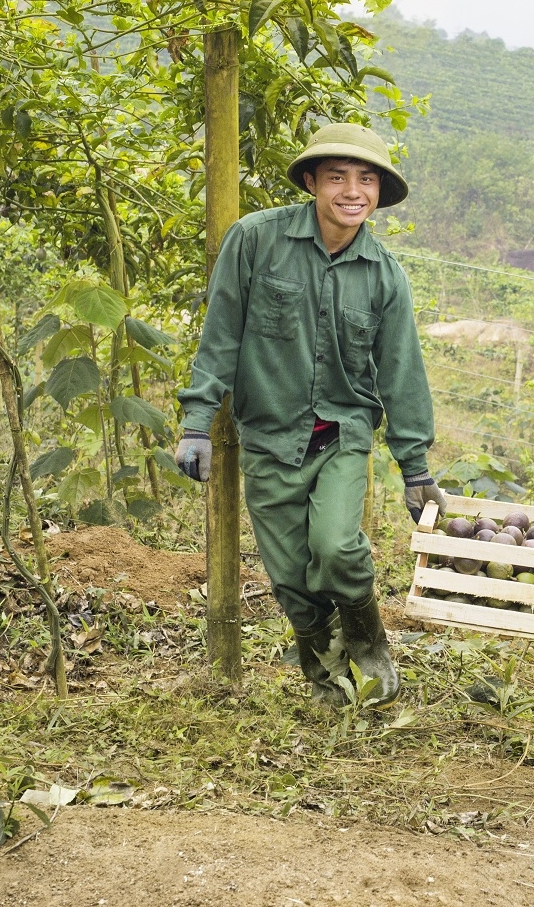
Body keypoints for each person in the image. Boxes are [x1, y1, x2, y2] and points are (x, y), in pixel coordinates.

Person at [173, 122, 446, 707]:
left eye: (366, 179)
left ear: (379, 192)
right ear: (311, 182)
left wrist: (415, 466)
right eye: (337, 177)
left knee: (337, 547)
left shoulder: (384, 275)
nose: (352, 191)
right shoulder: (255, 240)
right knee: (292, 577)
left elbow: (401, 371)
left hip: (341, 434)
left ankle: (367, 641)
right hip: (269, 435)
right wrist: (198, 422)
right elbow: (221, 334)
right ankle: (326, 672)